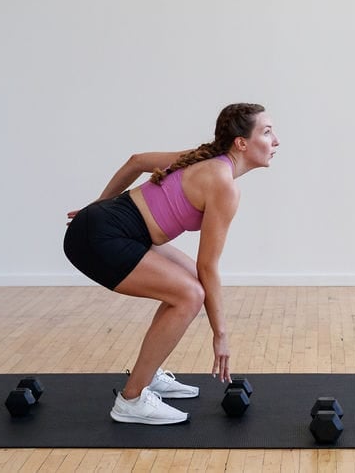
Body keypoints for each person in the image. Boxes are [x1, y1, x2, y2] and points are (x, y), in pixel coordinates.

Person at [64, 102, 278, 425]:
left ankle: (147, 375)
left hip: (108, 226)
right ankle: (131, 399)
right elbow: (210, 266)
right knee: (191, 294)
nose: (275, 141)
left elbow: (136, 162)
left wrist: (97, 208)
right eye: (267, 131)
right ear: (241, 143)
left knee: (192, 282)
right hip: (102, 237)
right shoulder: (224, 184)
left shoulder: (208, 159)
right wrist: (220, 335)